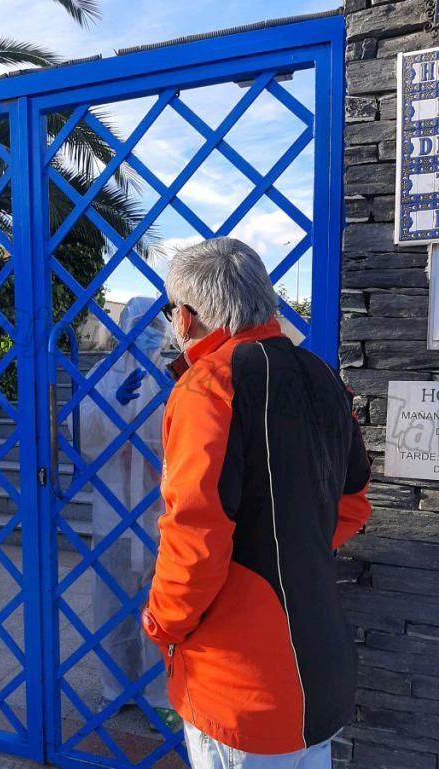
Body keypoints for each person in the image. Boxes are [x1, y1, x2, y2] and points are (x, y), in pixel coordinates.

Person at [142, 237, 372, 768]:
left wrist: (162, 624)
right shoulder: (322, 378)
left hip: (239, 681)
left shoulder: (209, 386)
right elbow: (353, 502)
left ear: (185, 317)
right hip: (321, 671)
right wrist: (293, 548)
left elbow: (194, 537)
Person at [80, 296, 179, 729]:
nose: (147, 337)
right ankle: (115, 688)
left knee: (160, 610)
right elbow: (79, 431)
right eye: (139, 328)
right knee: (113, 607)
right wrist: (110, 407)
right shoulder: (101, 377)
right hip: (114, 514)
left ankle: (161, 694)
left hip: (160, 514)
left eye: (153, 329)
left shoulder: (173, 378)